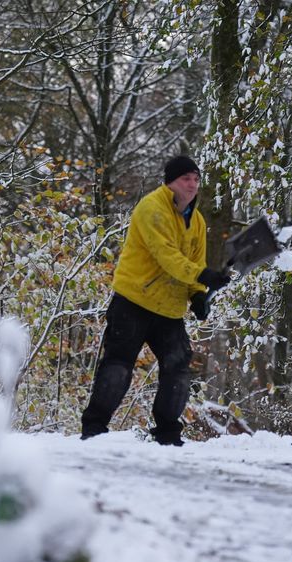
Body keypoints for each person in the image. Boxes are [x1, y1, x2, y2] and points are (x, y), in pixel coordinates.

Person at [80, 155, 231, 446]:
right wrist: (202, 274)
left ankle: (168, 434)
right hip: (134, 299)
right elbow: (167, 257)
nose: (192, 184)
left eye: (196, 179)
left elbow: (193, 260)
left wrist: (198, 294)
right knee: (119, 365)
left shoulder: (197, 221)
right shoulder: (152, 208)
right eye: (186, 178)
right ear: (170, 182)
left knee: (178, 366)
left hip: (169, 309)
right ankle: (94, 429)